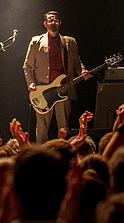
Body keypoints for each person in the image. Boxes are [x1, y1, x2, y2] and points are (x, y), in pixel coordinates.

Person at [22, 10, 89, 144]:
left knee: (63, 127)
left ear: (60, 24)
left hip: (64, 89)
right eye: (50, 20)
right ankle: (41, 156)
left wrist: (82, 71)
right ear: (45, 24)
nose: (53, 23)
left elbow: (77, 62)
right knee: (42, 127)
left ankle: (62, 154)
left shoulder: (70, 42)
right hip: (43, 91)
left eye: (55, 21)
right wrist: (31, 83)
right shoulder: (36, 41)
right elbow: (27, 66)